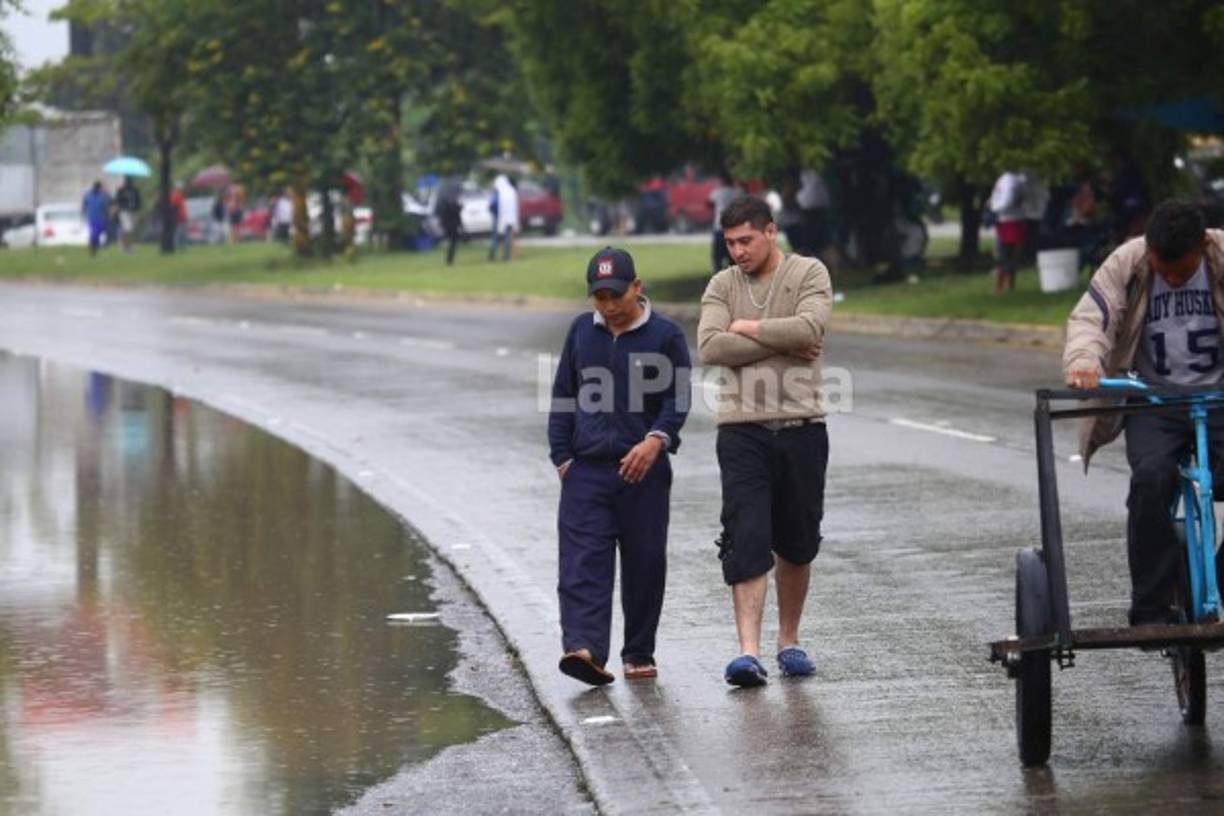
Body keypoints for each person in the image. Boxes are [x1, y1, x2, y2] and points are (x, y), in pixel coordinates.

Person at [1064, 199, 1224, 626]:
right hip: (1154, 402)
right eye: (1163, 267)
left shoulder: (1221, 257)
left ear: (1203, 245)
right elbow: (1090, 319)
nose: (1170, 277)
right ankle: (1150, 605)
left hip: (1220, 399)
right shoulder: (1129, 262)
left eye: (1182, 270)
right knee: (1151, 479)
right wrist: (1084, 361)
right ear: (1148, 248)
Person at [697, 195, 833, 687]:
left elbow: (811, 326)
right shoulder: (721, 284)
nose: (737, 252)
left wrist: (749, 327)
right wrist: (785, 341)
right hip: (740, 429)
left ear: (770, 232)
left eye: (746, 240)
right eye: (730, 242)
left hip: (802, 425)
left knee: (797, 542)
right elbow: (711, 347)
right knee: (746, 535)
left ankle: (789, 641)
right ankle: (748, 653)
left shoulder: (809, 273)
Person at [547, 247, 691, 686]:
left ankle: (638, 652)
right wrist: (563, 457)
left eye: (615, 295)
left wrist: (655, 441)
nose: (608, 306)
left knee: (645, 563)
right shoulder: (581, 332)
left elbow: (678, 399)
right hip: (586, 471)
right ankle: (584, 650)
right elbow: (563, 396)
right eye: (599, 296)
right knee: (581, 564)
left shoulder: (665, 336)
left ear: (636, 287)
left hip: (643, 471)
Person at [989, 169, 1028, 293]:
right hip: (1012, 220)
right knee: (1010, 255)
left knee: (1004, 255)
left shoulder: (1009, 181)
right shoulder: (1017, 180)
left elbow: (1007, 200)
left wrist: (993, 207)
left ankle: (1000, 287)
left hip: (1008, 221)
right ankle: (1009, 285)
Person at [708, 173, 740, 273]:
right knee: (733, 256)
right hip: (733, 227)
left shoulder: (717, 192)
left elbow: (709, 203)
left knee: (717, 257)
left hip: (719, 227)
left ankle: (718, 277)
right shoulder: (737, 192)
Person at [488, 174, 519, 262]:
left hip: (499, 217)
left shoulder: (498, 192)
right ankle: (506, 255)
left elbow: (492, 205)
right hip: (510, 218)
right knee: (508, 237)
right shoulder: (512, 191)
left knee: (496, 237)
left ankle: (493, 255)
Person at [437, 180, 464, 265]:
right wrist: (460, 208)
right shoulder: (451, 201)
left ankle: (449, 259)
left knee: (451, 241)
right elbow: (455, 211)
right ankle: (450, 259)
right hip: (452, 224)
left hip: (448, 223)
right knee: (453, 242)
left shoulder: (444, 200)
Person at [81, 181, 111, 258]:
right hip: (92, 218)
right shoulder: (88, 195)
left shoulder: (103, 196)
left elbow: (106, 206)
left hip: (101, 218)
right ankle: (93, 250)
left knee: (98, 234)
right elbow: (84, 205)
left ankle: (95, 249)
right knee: (94, 235)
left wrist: (107, 216)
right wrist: (83, 213)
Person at [115, 176, 142, 253]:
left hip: (133, 211)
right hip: (124, 212)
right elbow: (118, 201)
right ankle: (125, 246)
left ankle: (129, 246)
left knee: (132, 230)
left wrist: (138, 210)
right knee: (128, 229)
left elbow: (138, 201)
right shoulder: (121, 191)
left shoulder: (135, 190)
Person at [169, 184, 188, 250]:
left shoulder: (178, 194)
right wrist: (176, 216)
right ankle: (178, 246)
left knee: (180, 232)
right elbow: (174, 206)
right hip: (180, 217)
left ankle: (181, 246)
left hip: (182, 216)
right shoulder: (176, 195)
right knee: (179, 233)